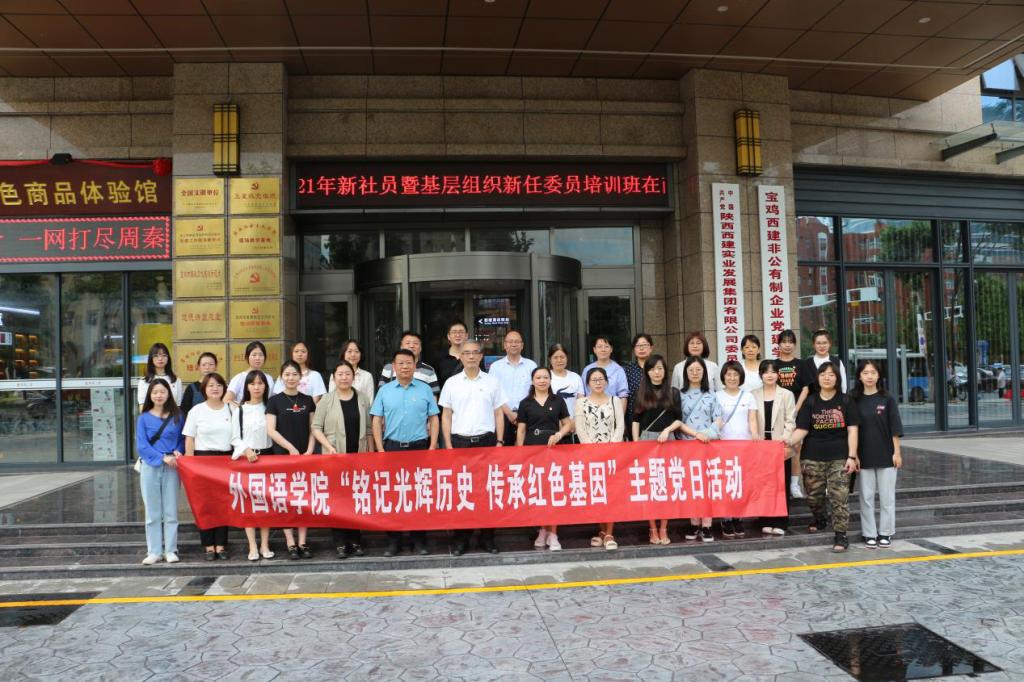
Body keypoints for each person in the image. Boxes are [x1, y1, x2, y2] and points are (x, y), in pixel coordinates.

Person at [440, 340, 507, 556]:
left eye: (475, 353)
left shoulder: (492, 382)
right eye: (466, 353)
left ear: (481, 356)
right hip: (460, 442)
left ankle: (488, 538)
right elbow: (446, 415)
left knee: (487, 491)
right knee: (463, 491)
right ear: (460, 356)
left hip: (486, 441)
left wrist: (499, 442)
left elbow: (499, 413)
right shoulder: (451, 383)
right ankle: (462, 539)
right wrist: (448, 445)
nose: (470, 356)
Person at [371, 348, 440, 557]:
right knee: (393, 495)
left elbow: (434, 418)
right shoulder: (385, 391)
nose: (405, 367)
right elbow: (376, 420)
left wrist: (432, 446)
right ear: (393, 367)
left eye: (409, 363)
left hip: (419, 448)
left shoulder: (425, 389)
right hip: (392, 448)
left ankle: (419, 540)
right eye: (400, 363)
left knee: (418, 494)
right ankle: (394, 541)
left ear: (415, 365)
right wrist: (380, 449)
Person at [790, 362, 861, 553]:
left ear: (837, 378)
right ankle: (820, 518)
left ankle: (841, 534)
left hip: (839, 456)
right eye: (823, 374)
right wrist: (785, 442)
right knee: (814, 496)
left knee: (839, 497)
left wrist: (852, 456)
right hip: (812, 456)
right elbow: (802, 430)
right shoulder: (811, 401)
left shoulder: (846, 401)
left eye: (831, 374)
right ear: (818, 378)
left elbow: (853, 431)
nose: (827, 378)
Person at [313, 361, 372, 559]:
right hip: (334, 457)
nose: (344, 377)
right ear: (334, 377)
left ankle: (355, 540)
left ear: (353, 377)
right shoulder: (326, 400)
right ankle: (340, 542)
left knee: (355, 498)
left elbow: (369, 429)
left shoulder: (362, 398)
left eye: (348, 374)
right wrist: (328, 447)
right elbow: (316, 428)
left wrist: (370, 454)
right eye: (340, 374)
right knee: (337, 499)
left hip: (358, 456)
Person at [517, 366, 572, 552]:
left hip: (554, 450)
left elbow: (568, 424)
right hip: (532, 451)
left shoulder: (558, 401)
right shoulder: (525, 403)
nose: (542, 380)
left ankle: (553, 533)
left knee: (553, 491)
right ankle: (542, 530)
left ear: (550, 380)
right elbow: (521, 430)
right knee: (539, 492)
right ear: (532, 381)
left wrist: (559, 434)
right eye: (538, 377)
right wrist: (519, 453)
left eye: (545, 377)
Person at [267, 360, 317, 560]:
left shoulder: (308, 400)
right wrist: (290, 448)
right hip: (282, 457)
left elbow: (314, 428)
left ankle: (303, 542)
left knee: (304, 498)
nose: (291, 378)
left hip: (305, 457)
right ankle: (290, 542)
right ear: (281, 377)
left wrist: (310, 450)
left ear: (300, 377)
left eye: (294, 374)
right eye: (287, 374)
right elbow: (270, 430)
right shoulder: (274, 401)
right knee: (285, 499)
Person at [851, 359, 904, 549]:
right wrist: (854, 455)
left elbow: (895, 428)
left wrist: (897, 452)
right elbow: (852, 429)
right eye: (865, 373)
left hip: (886, 455)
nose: (869, 376)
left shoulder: (887, 399)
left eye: (873, 372)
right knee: (866, 497)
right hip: (863, 455)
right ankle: (869, 533)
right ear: (859, 376)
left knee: (887, 498)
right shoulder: (853, 399)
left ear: (878, 375)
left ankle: (885, 532)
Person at [631, 355, 683, 546]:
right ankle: (652, 528)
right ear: (647, 372)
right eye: (653, 369)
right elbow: (635, 420)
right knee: (649, 486)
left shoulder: (673, 392)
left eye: (660, 368)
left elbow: (679, 419)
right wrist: (636, 443)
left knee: (666, 486)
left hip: (667, 440)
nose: (657, 372)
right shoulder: (640, 392)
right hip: (646, 441)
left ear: (665, 370)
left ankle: (664, 528)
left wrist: (668, 430)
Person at [183, 372, 234, 560]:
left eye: (219, 385)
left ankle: (221, 545)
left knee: (222, 503)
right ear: (204, 389)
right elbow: (189, 438)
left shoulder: (231, 409)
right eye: (211, 385)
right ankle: (208, 546)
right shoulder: (196, 410)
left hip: (225, 460)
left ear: (224, 388)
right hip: (202, 460)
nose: (215, 388)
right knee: (204, 504)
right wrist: (190, 465)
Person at [136, 378, 184, 565]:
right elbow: (142, 445)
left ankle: (171, 550)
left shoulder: (177, 416)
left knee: (171, 510)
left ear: (168, 394)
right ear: (150, 395)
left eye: (162, 392)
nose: (159, 395)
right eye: (155, 392)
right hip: (150, 466)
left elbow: (182, 439)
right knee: (152, 512)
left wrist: (178, 450)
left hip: (172, 467)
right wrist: (162, 457)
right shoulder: (143, 418)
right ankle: (154, 551)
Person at [575, 367, 625, 550]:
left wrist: (611, 448)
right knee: (596, 493)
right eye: (594, 380)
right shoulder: (581, 402)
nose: (598, 383)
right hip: (590, 455)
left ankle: (610, 533)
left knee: (610, 494)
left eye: (601, 379)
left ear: (606, 382)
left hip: (612, 454)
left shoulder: (615, 400)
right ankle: (602, 531)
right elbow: (580, 428)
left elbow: (620, 426)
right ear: (588, 383)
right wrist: (592, 450)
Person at [230, 370, 275, 562]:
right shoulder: (239, 410)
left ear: (266, 386)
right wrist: (246, 450)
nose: (256, 387)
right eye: (252, 383)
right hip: (247, 460)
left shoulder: (270, 408)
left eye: (260, 383)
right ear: (247, 387)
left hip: (268, 457)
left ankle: (265, 543)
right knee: (248, 503)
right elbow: (234, 437)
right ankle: (252, 545)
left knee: (265, 502)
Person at [678, 357, 722, 543]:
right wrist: (696, 434)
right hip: (686, 446)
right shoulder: (679, 395)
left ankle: (707, 525)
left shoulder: (712, 395)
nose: (695, 373)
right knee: (691, 485)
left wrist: (708, 433)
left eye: (698, 370)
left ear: (704, 372)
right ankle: (694, 523)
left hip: (707, 445)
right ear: (685, 373)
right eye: (691, 370)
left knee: (707, 485)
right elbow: (677, 421)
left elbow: (718, 418)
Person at [715, 361, 759, 539]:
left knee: (741, 483)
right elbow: (716, 420)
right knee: (725, 482)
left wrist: (755, 434)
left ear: (740, 377)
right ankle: (726, 518)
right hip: (723, 447)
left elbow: (752, 419)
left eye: (735, 374)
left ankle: (738, 517)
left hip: (744, 446)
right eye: (729, 374)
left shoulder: (748, 396)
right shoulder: (717, 396)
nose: (732, 378)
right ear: (723, 376)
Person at [752, 359, 796, 537]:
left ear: (778, 375)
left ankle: (781, 521)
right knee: (763, 484)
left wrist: (784, 440)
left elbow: (790, 420)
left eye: (773, 372)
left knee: (781, 484)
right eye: (766, 372)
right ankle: (765, 520)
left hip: (780, 445)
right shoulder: (753, 394)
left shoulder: (786, 394)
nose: (769, 375)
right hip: (760, 447)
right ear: (761, 375)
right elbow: (751, 419)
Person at [487, 330, 537, 446]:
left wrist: (522, 413)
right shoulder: (495, 367)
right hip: (502, 416)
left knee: (527, 451)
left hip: (528, 415)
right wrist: (509, 413)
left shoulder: (531, 365)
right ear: (504, 345)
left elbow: (536, 391)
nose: (513, 344)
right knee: (504, 451)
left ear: (522, 345)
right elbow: (494, 394)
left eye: (517, 342)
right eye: (510, 342)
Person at [773, 330, 806, 499]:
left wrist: (795, 409)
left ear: (795, 344)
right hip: (776, 412)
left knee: (796, 447)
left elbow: (806, 388)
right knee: (778, 446)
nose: (787, 345)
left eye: (790, 342)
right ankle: (778, 483)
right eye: (784, 342)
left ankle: (794, 484)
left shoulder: (801, 364)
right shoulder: (773, 364)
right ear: (778, 344)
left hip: (797, 411)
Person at [377, 330, 440, 397]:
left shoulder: (429, 370)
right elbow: (382, 392)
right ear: (401, 347)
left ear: (420, 348)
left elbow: (433, 396)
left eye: (415, 343)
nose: (411, 346)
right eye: (407, 343)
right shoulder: (389, 368)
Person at [581, 335, 629, 415]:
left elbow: (623, 396)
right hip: (591, 413)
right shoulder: (587, 370)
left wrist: (619, 418)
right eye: (600, 347)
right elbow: (583, 394)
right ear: (594, 350)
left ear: (611, 349)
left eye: (606, 346)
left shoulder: (618, 370)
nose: (603, 350)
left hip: (612, 412)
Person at [798, 329, 847, 402]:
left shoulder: (837, 362)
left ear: (830, 344)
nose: (821, 346)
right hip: (813, 404)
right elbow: (804, 388)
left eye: (825, 343)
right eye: (818, 343)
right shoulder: (806, 363)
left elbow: (843, 386)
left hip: (835, 403)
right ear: (813, 345)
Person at [548, 343, 584, 442]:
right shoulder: (546, 377)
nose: (559, 360)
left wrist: (574, 422)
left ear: (567, 358)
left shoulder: (576, 377)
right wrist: (561, 424)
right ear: (550, 359)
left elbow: (581, 403)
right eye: (555, 357)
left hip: (574, 426)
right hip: (553, 427)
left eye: (562, 357)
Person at [624, 333, 654, 439]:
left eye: (644, 345)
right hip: (633, 414)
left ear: (651, 348)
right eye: (638, 345)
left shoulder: (657, 367)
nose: (641, 348)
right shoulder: (627, 370)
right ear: (634, 349)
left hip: (654, 413)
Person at [137, 342, 183, 412]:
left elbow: (178, 406)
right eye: (156, 356)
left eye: (164, 355)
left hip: (171, 417)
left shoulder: (176, 380)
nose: (160, 358)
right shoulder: (145, 381)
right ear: (151, 358)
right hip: (152, 418)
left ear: (168, 358)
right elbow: (142, 407)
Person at [180, 351, 218, 417]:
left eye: (211, 364)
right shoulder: (191, 388)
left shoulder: (221, 387)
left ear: (216, 366)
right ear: (198, 367)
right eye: (204, 365)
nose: (207, 367)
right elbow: (184, 411)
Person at [435, 320, 468, 390]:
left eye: (461, 332)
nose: (458, 335)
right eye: (454, 332)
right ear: (448, 336)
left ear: (466, 335)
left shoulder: (473, 356)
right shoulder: (439, 357)